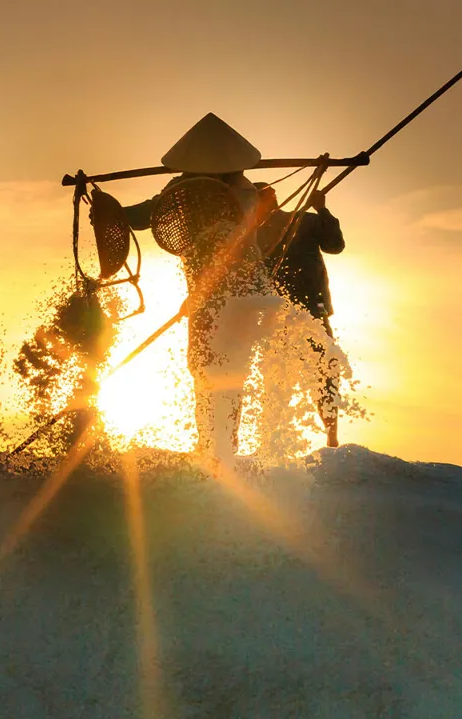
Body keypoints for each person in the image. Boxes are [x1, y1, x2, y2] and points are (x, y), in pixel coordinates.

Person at [120, 113, 279, 461]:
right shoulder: (189, 187)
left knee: (222, 366)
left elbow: (230, 237)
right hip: (214, 294)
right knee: (209, 366)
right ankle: (213, 445)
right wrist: (111, 210)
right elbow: (147, 213)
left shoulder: (242, 192)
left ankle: (220, 446)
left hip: (238, 293)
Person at [254, 181, 346, 447]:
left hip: (310, 310)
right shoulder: (250, 235)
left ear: (272, 199)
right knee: (274, 379)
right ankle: (270, 441)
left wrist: (322, 210)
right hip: (274, 314)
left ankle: (331, 436)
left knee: (325, 370)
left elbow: (335, 245)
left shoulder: (302, 221)